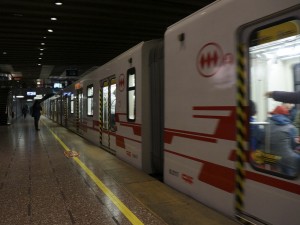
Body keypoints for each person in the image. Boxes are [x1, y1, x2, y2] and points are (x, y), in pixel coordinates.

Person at [268, 105, 300, 177]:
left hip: (267, 156)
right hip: (285, 160)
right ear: (286, 116)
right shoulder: (291, 127)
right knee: (296, 158)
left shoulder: (266, 123)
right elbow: (293, 145)